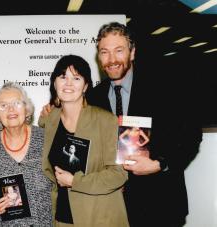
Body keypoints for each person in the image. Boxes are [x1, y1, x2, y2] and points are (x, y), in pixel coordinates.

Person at [86, 22, 203, 227]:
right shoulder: (94, 97)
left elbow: (191, 135)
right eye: (105, 52)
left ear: (132, 53)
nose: (112, 60)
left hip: (160, 206)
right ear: (99, 57)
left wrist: (159, 164)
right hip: (112, 208)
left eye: (119, 50)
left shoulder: (165, 86)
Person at [39, 55, 129, 227]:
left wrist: (75, 181)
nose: (68, 83)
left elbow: (119, 175)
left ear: (86, 86)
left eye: (76, 78)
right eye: (63, 76)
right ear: (54, 83)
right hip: (61, 219)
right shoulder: (49, 120)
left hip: (99, 217)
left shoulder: (106, 121)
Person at [0, 82, 53, 227]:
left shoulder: (46, 138)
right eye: (3, 105)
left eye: (17, 103)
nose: (11, 109)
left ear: (26, 110)